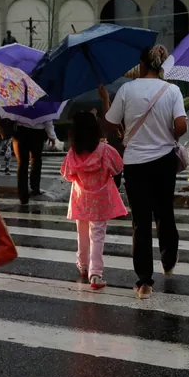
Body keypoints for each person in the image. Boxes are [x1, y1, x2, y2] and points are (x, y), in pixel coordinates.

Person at [101, 44, 188, 299]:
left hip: (136, 163)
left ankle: (144, 282)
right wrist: (167, 133)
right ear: (160, 65)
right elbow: (181, 126)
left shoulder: (127, 89)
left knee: (140, 221)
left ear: (142, 65)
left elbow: (110, 123)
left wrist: (105, 100)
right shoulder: (172, 90)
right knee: (164, 212)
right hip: (164, 162)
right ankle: (168, 259)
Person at [61, 111, 127, 289]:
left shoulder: (73, 153)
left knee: (82, 232)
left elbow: (67, 174)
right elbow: (118, 167)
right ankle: (96, 273)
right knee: (97, 235)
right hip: (100, 198)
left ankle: (83, 265)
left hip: (80, 197)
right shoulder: (104, 150)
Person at [13, 120, 57, 205]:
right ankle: (35, 187)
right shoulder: (41, 107)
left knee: (22, 164)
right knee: (36, 160)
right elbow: (48, 120)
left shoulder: (18, 106)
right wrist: (52, 136)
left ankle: (23, 194)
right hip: (37, 133)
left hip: (20, 132)